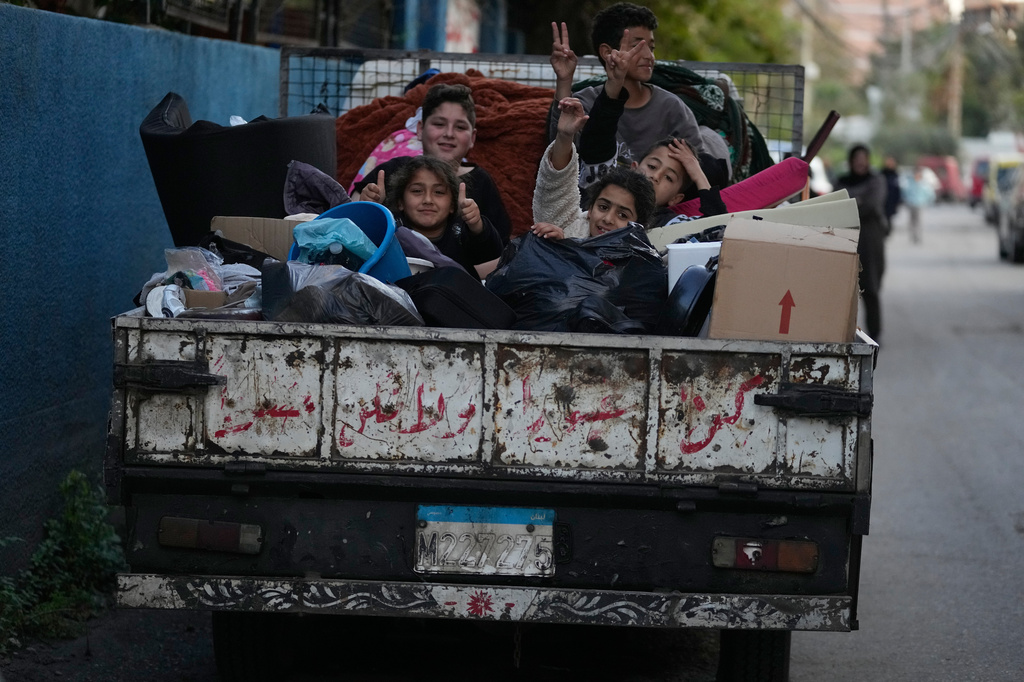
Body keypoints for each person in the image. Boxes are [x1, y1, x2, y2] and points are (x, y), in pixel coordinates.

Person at [575, 34, 727, 227]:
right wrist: (614, 86)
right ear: (634, 167)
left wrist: (697, 172)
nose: (655, 176)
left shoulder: (671, 224)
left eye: (669, 178)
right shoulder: (598, 200)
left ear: (675, 199)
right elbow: (598, 140)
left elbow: (715, 230)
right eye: (653, 166)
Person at [547, 5, 703, 178]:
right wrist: (564, 80)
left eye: (651, 48)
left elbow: (698, 166)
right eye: (637, 46)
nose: (648, 56)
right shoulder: (584, 104)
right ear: (607, 52)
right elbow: (558, 157)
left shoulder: (671, 107)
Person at [353, 83, 514, 244]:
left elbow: (499, 250)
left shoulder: (482, 183)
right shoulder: (392, 171)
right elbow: (346, 221)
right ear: (420, 129)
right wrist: (366, 207)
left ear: (472, 138)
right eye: (439, 124)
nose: (449, 134)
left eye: (460, 127)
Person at [531, 97, 656, 240]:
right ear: (590, 209)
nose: (608, 219)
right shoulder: (569, 230)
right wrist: (565, 136)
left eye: (623, 215)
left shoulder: (640, 258)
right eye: (603, 207)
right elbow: (556, 186)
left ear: (638, 227)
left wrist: (568, 251)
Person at [382, 156, 503, 277]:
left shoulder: (461, 231)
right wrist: (371, 209)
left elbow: (492, 252)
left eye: (439, 192)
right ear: (400, 202)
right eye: (417, 191)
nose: (428, 200)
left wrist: (476, 224)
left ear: (452, 205)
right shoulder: (392, 231)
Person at [836, 144, 888, 344]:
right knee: (845, 292)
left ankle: (875, 335)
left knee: (871, 289)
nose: (860, 162)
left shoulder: (876, 180)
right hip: (847, 239)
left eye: (863, 158)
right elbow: (837, 204)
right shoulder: (842, 180)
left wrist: (851, 203)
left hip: (870, 241)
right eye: (856, 158)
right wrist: (858, 202)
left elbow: (872, 205)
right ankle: (843, 334)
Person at [901, 166, 936, 244]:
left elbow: (930, 194)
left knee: (918, 222)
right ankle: (912, 236)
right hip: (911, 204)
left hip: (920, 204)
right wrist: (906, 200)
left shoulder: (923, 183)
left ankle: (918, 237)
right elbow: (905, 192)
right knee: (911, 221)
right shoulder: (910, 182)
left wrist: (927, 202)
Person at [881, 155, 902, 237]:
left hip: (891, 202)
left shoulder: (895, 175)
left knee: (889, 220)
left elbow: (897, 190)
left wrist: (898, 202)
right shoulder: (881, 174)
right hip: (882, 202)